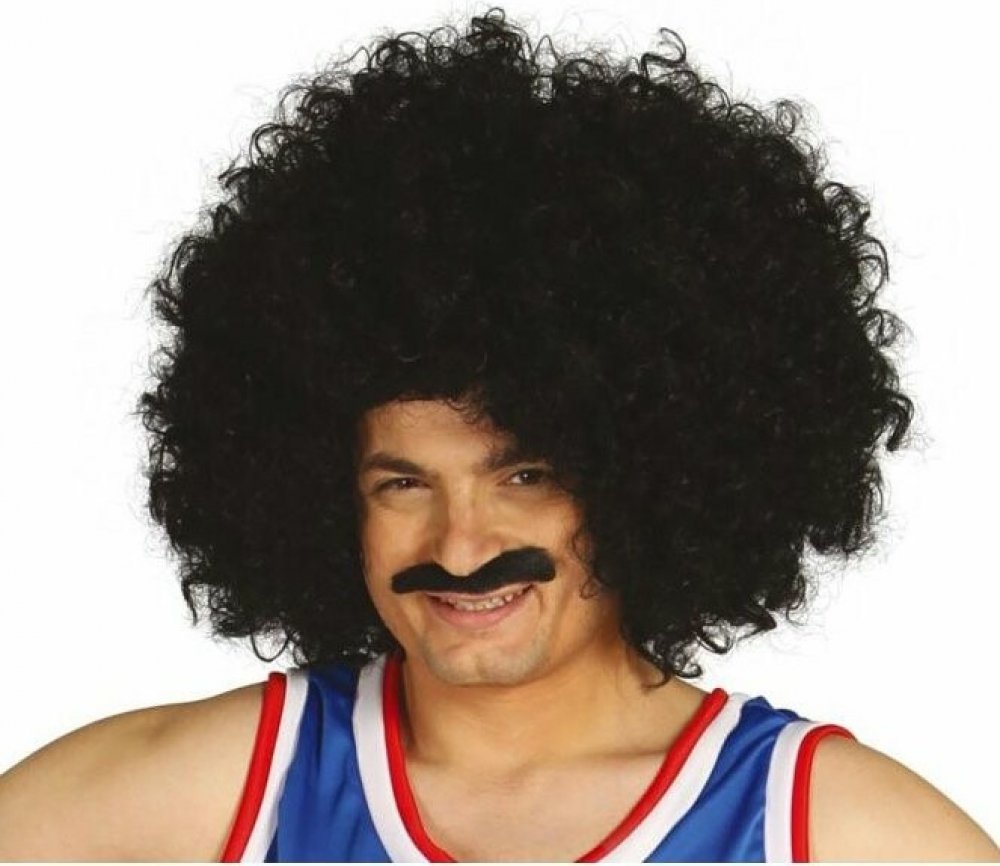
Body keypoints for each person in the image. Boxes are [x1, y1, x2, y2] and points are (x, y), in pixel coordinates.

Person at [0, 7, 997, 862]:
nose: (462, 544)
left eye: (523, 475)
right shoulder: (225, 787)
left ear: (651, 482)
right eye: (402, 483)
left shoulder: (822, 827)